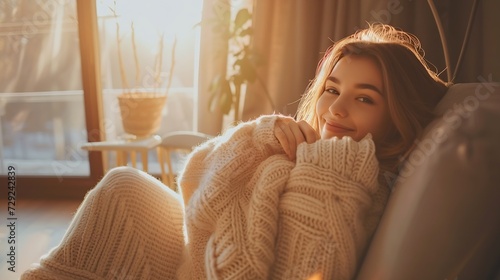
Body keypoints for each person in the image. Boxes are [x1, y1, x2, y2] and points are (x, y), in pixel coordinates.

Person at [22, 23, 448, 280]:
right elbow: (193, 184)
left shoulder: (348, 176)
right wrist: (255, 139)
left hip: (213, 269)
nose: (335, 108)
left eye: (364, 98)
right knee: (123, 186)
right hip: (201, 256)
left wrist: (326, 168)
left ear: (396, 116)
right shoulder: (307, 146)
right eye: (332, 89)